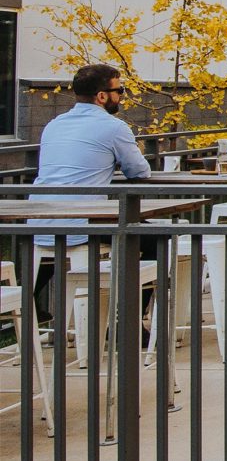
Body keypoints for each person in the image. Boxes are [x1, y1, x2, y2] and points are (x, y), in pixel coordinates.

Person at [30, 64, 151, 318]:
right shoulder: (114, 127)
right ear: (102, 96)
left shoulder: (54, 124)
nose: (121, 96)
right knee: (156, 238)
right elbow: (139, 172)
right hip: (81, 223)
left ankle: (27, 299)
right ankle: (129, 319)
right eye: (120, 90)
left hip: (38, 219)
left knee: (59, 237)